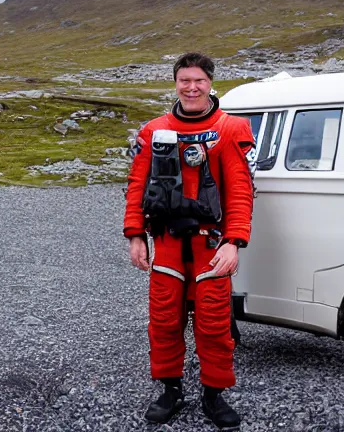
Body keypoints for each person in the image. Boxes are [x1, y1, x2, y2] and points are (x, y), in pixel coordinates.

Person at [123, 52, 256, 428]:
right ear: (176, 83)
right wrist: (135, 234)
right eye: (185, 80)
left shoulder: (231, 129)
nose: (192, 87)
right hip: (165, 242)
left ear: (210, 83)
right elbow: (136, 186)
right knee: (164, 320)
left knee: (213, 325)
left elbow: (241, 191)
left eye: (199, 80)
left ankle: (214, 396)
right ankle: (171, 390)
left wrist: (235, 241)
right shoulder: (152, 131)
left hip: (210, 244)